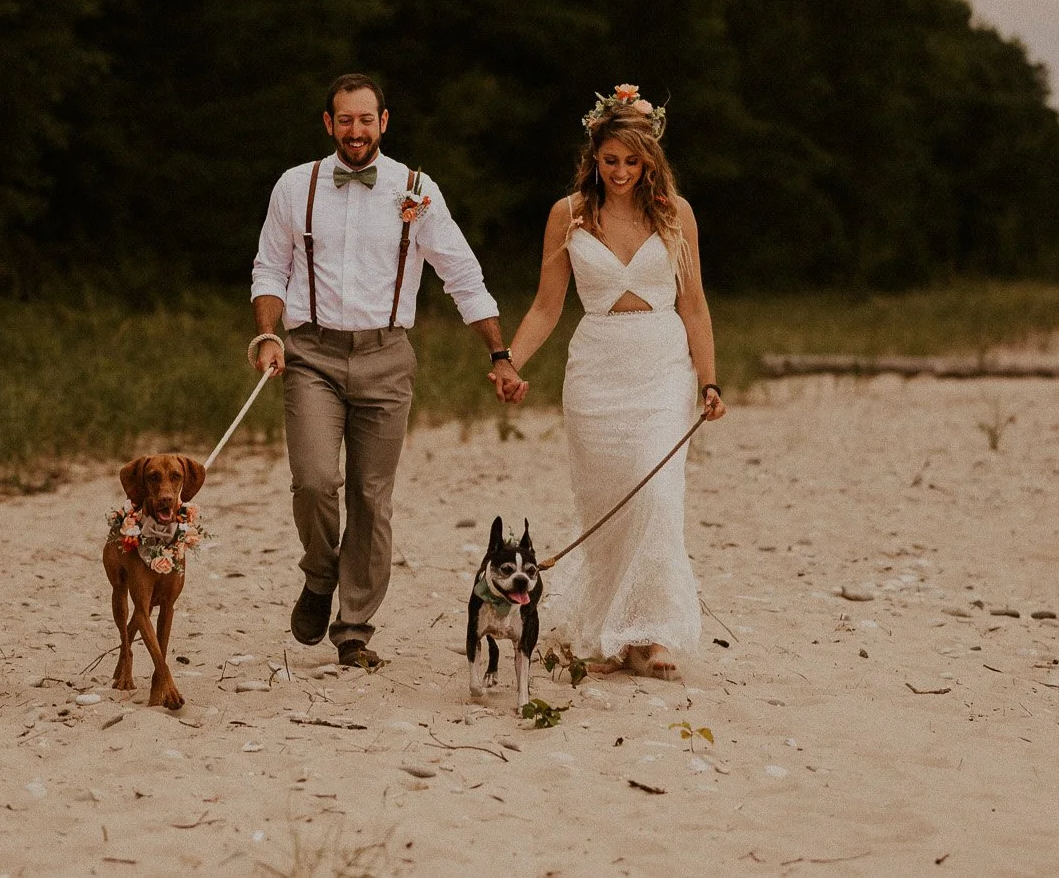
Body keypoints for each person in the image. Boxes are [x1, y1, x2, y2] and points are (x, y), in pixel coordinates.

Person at [250, 73, 522, 667]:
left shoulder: (417, 190)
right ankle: (320, 575)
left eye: (365, 120)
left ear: (384, 122)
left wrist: (498, 355)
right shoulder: (297, 187)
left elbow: (461, 273)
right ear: (328, 123)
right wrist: (269, 333)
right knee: (315, 481)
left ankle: (353, 629)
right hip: (311, 354)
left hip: (387, 357)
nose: (355, 131)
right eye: (344, 120)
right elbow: (270, 268)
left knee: (372, 498)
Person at [497, 86, 725, 679]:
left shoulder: (675, 213)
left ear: (650, 158)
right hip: (596, 370)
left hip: (660, 365)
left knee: (655, 495)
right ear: (593, 157)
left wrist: (710, 380)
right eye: (610, 160)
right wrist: (509, 360)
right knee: (609, 503)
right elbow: (548, 306)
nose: (621, 172)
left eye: (632, 160)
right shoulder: (568, 215)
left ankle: (652, 633)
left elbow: (694, 303)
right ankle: (620, 631)